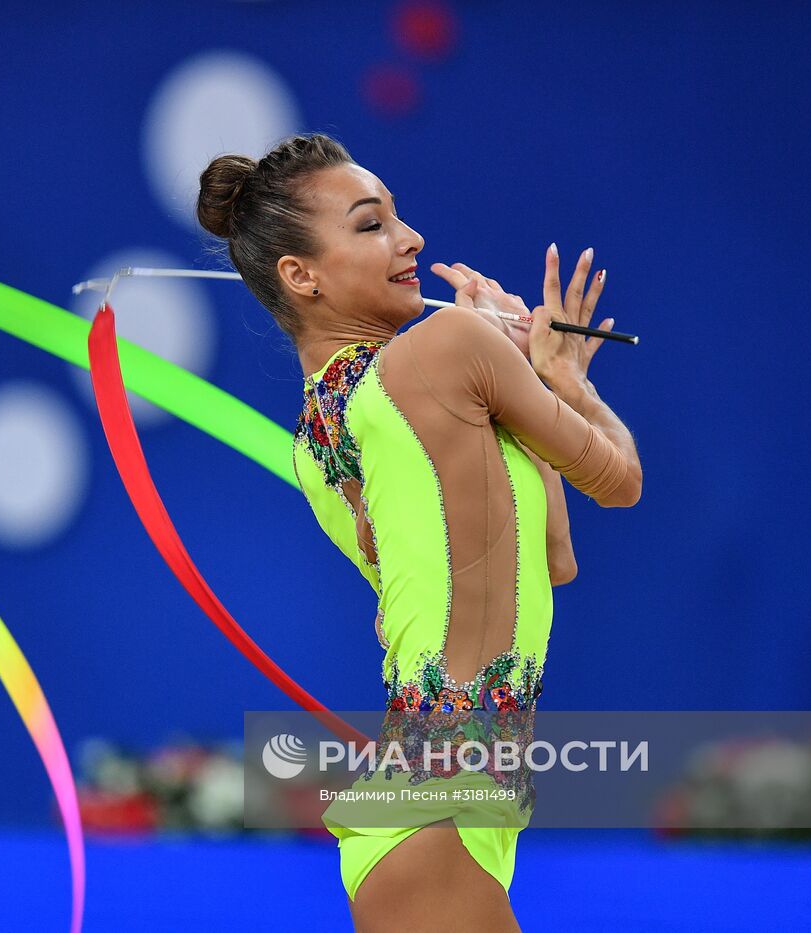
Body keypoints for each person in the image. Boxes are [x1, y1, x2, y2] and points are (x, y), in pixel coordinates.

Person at [196, 133, 642, 931]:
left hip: (443, 808)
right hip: (438, 810)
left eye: (398, 218)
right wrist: (542, 379)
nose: (411, 240)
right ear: (301, 276)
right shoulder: (446, 347)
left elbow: (551, 556)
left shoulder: (317, 446)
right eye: (371, 226)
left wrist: (539, 383)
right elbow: (620, 480)